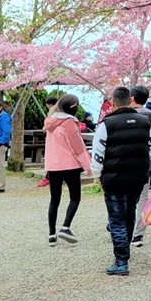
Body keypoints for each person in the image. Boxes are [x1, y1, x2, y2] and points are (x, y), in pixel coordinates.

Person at [91, 85, 151, 276]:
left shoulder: (106, 124)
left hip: (114, 177)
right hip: (137, 177)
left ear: (114, 102)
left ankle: (121, 260)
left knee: (116, 218)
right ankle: (125, 252)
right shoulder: (144, 122)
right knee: (129, 214)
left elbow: (98, 153)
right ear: (129, 100)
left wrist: (96, 175)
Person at [43, 94, 92, 246]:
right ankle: (65, 227)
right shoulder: (69, 123)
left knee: (54, 199)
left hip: (53, 166)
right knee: (75, 197)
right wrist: (87, 165)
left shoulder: (51, 121)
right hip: (70, 165)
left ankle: (52, 234)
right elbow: (77, 147)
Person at [129, 85, 151, 249]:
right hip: (145, 165)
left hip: (124, 164)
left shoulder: (121, 115)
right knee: (142, 198)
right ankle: (138, 234)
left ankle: (121, 229)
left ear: (132, 98)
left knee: (124, 197)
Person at [38, 95, 60, 188]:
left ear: (49, 104)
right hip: (59, 136)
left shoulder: (52, 110)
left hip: (53, 137)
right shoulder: (61, 109)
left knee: (51, 158)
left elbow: (49, 123)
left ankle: (48, 177)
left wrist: (44, 128)